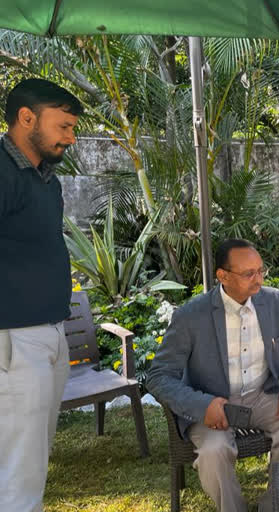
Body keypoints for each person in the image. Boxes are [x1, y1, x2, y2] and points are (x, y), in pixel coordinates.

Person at [146, 239, 279, 512]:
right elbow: (158, 376)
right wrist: (202, 405)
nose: (258, 280)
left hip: (260, 395)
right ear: (222, 276)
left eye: (261, 271)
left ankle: (273, 506)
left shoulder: (274, 301)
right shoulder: (191, 316)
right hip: (212, 402)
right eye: (249, 274)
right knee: (214, 452)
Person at [0, 78, 83, 512]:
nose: (70, 137)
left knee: (32, 459)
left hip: (49, 333)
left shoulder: (45, 180)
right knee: (17, 471)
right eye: (63, 126)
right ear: (26, 117)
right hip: (13, 341)